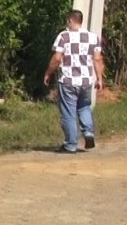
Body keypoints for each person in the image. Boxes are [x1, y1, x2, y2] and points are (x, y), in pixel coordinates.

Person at [43, 10, 105, 153]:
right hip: (86, 80)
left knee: (68, 112)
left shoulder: (64, 36)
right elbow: (97, 59)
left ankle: (70, 144)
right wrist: (99, 79)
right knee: (84, 107)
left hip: (68, 80)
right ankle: (88, 133)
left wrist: (48, 72)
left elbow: (57, 58)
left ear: (70, 20)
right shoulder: (93, 37)